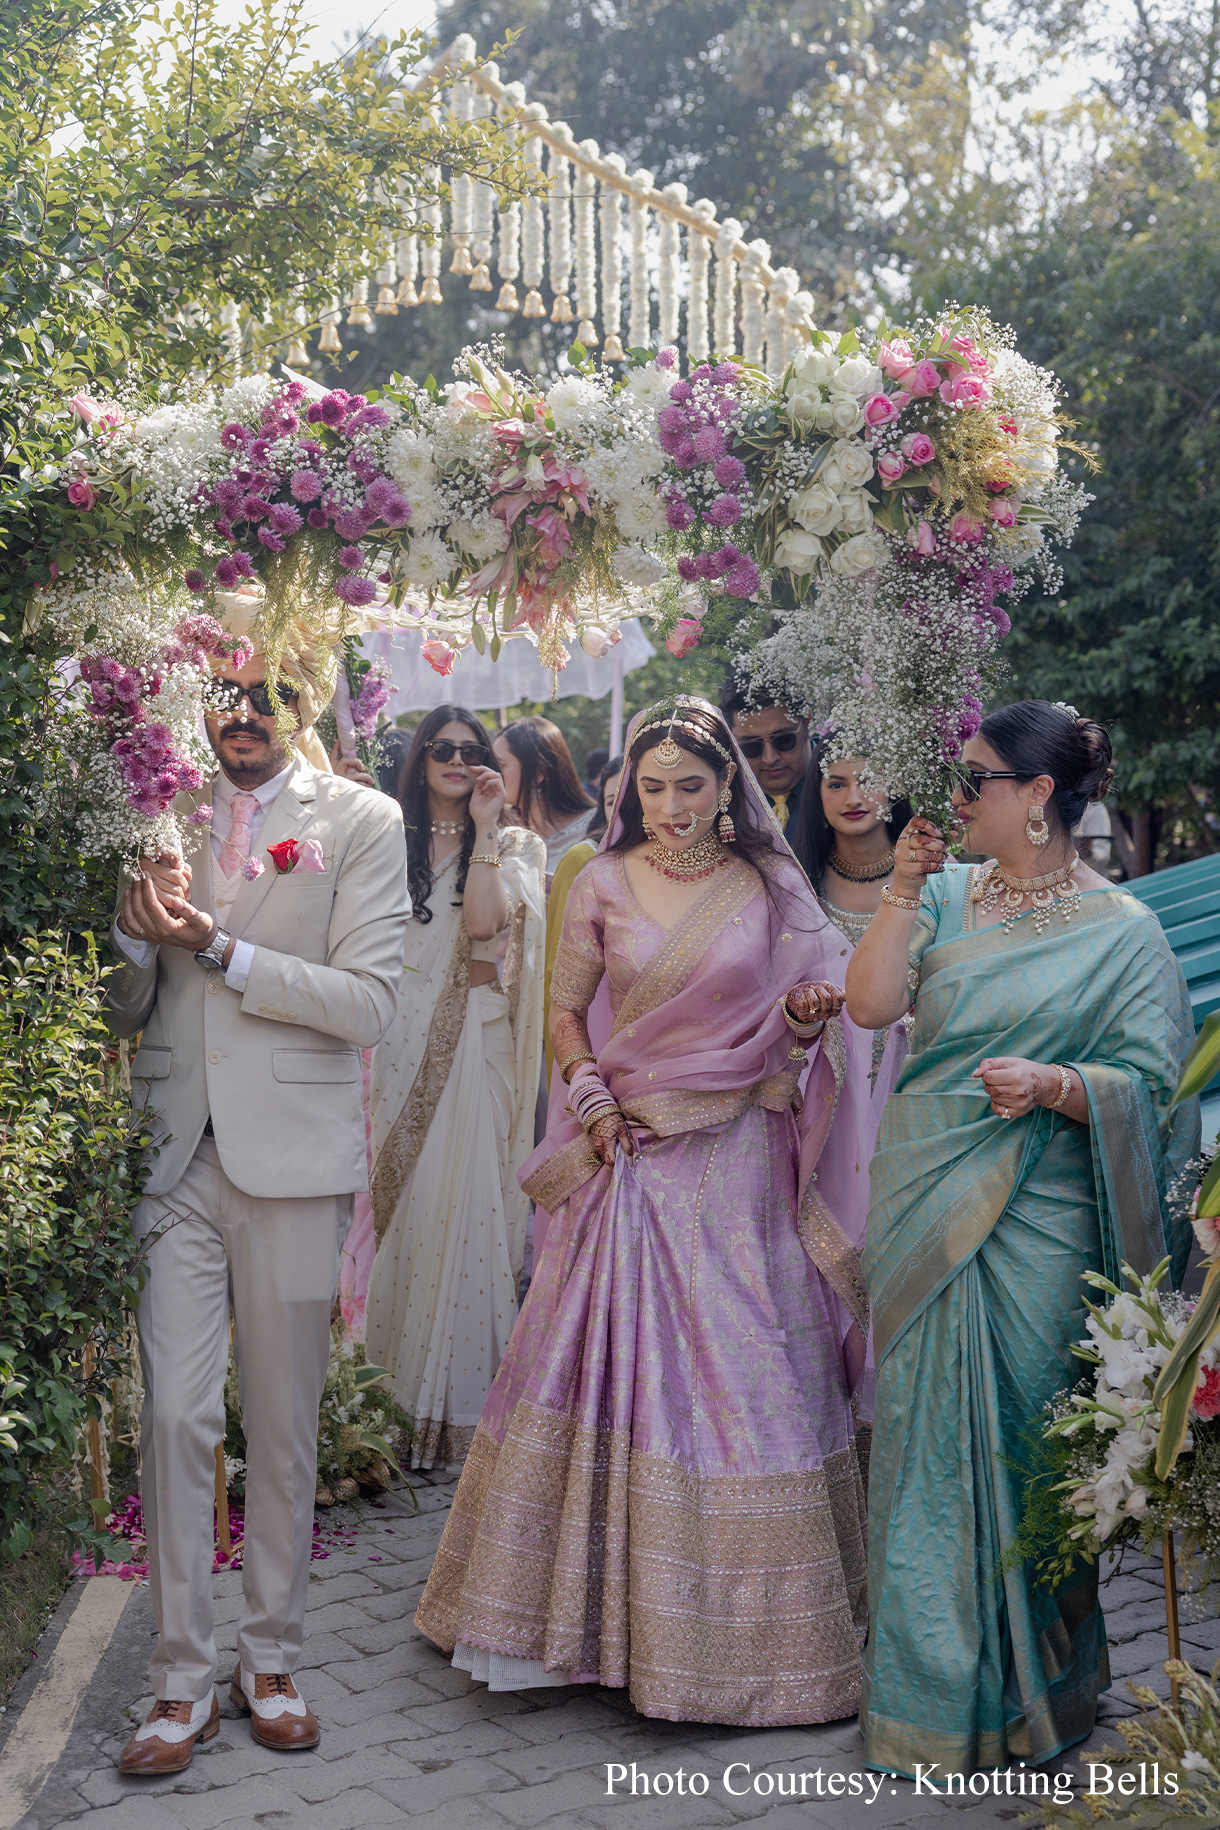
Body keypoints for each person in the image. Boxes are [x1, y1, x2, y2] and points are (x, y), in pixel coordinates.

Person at [415, 695, 881, 1727]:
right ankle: (577, 1626)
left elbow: (818, 1013)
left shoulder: (768, 886)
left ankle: (755, 1644)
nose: (669, 807)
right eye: (652, 787)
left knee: (746, 1370)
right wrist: (588, 1100)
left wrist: (803, 1027)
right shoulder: (604, 882)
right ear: (629, 788)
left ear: (730, 791)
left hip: (744, 1160)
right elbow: (565, 1015)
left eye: (691, 786)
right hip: (630, 1163)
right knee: (616, 1370)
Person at [844, 700, 1200, 1780]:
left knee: (1024, 1454)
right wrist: (900, 890)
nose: (950, 800)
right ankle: (921, 1709)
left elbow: (1158, 1093)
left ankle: (1035, 1694)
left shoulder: (1122, 935)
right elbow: (866, 1009)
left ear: (1036, 798)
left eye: (971, 782)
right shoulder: (941, 897)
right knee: (918, 1456)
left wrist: (1056, 1085)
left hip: (1040, 1228)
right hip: (923, 1205)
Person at [106, 602, 410, 1774]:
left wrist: (221, 947)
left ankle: (270, 1653)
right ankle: (177, 1678)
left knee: (280, 1427)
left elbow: (369, 1003)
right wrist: (140, 943)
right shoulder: (153, 809)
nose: (241, 716)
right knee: (176, 1418)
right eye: (223, 695)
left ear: (305, 697)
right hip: (174, 1152)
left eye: (265, 695)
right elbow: (121, 1009)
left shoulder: (363, 820)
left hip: (291, 1158)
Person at [366, 706, 545, 1468]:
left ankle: (463, 1413)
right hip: (389, 1049)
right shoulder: (383, 839)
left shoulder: (516, 845)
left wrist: (482, 830)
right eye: (441, 748)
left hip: (475, 1043)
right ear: (418, 758)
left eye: (473, 752)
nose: (457, 759)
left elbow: (482, 928)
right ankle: (382, 1406)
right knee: (400, 1217)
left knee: (464, 1206)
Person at [492, 715, 595, 880]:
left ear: (539, 773)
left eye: (500, 765)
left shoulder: (595, 827)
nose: (492, 773)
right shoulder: (501, 831)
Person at [720, 684, 813, 842]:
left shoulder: (846, 780)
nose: (770, 758)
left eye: (784, 740)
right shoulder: (720, 797)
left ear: (807, 721)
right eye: (752, 747)